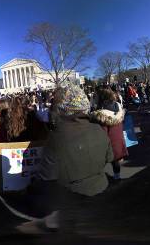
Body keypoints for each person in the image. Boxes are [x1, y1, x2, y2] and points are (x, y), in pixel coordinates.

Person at [27, 82, 113, 232]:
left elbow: (47, 176)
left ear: (62, 109)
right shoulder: (98, 129)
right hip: (101, 190)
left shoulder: (56, 137)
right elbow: (109, 157)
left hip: (71, 201)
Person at [90, 89, 128, 180]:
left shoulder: (100, 113)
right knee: (115, 161)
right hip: (118, 139)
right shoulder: (118, 106)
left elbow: (101, 131)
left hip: (106, 140)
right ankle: (117, 177)